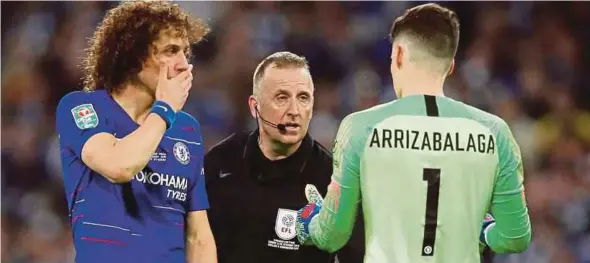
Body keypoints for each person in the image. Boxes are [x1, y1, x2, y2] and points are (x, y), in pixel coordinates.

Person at [295, 3, 532, 263]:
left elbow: (333, 236)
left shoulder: (360, 128)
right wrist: (485, 231)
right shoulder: (494, 131)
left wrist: (309, 222)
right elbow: (515, 236)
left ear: (397, 55)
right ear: (450, 66)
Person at [55, 2, 217, 263]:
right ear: (133, 55)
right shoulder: (82, 108)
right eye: (171, 51)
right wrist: (165, 109)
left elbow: (198, 235)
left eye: (185, 53)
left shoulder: (187, 130)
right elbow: (119, 166)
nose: (184, 65)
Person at [204, 51, 364, 263]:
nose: (294, 110)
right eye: (282, 98)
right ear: (255, 107)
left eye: (303, 98)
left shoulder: (332, 180)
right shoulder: (220, 163)